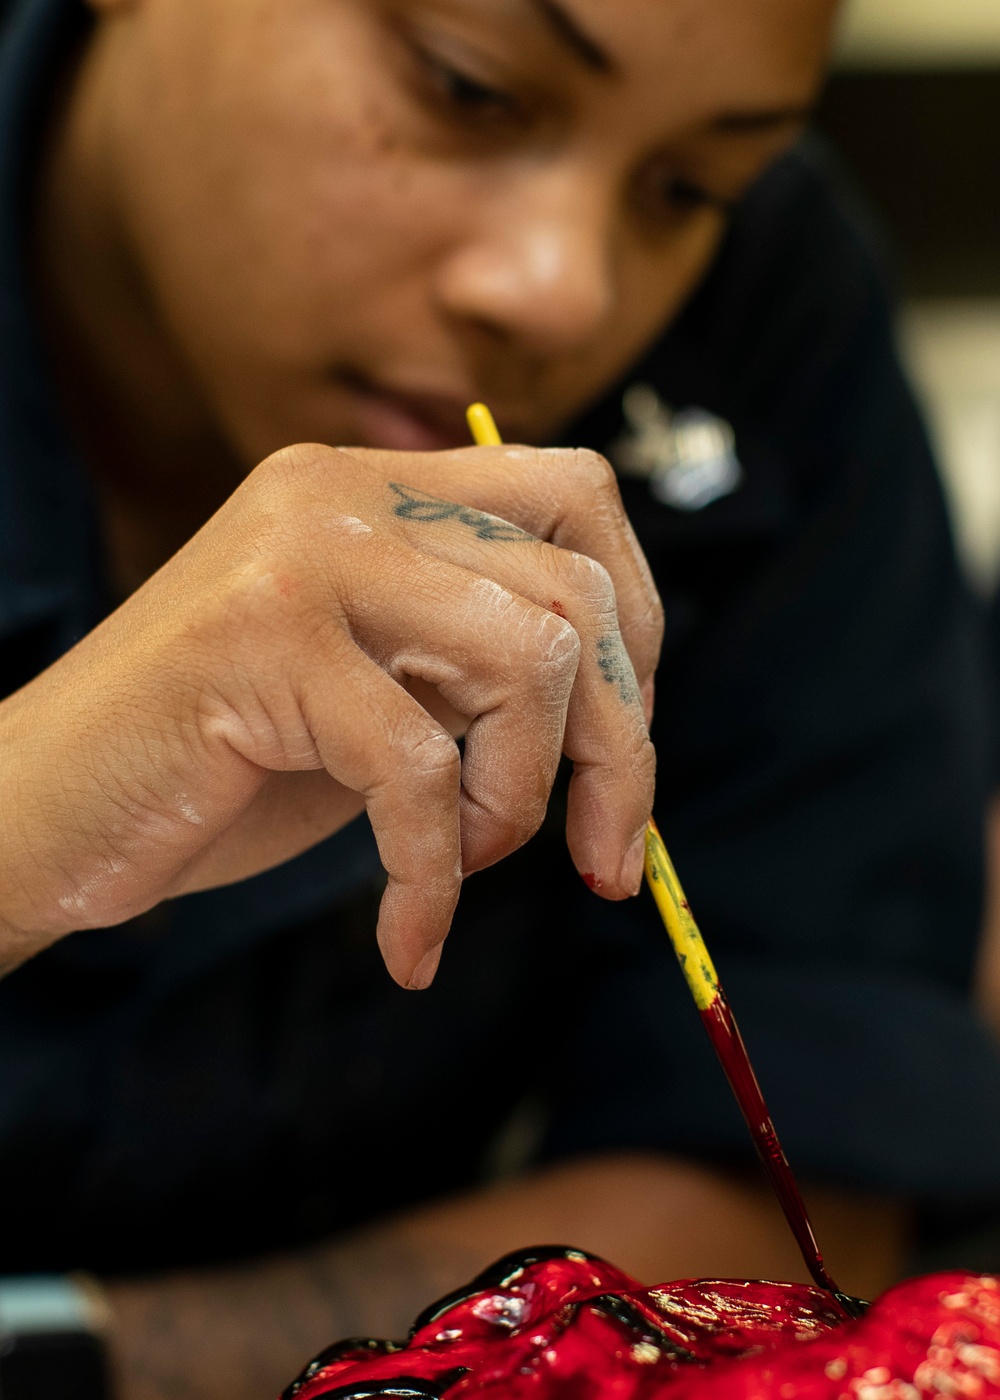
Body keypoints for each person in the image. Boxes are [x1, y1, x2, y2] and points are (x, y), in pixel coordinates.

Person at [1, 0, 999, 1395]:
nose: (562, 292)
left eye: (685, 187)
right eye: (470, 90)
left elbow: (792, 1183)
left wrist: (69, 1353)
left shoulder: (760, 322)